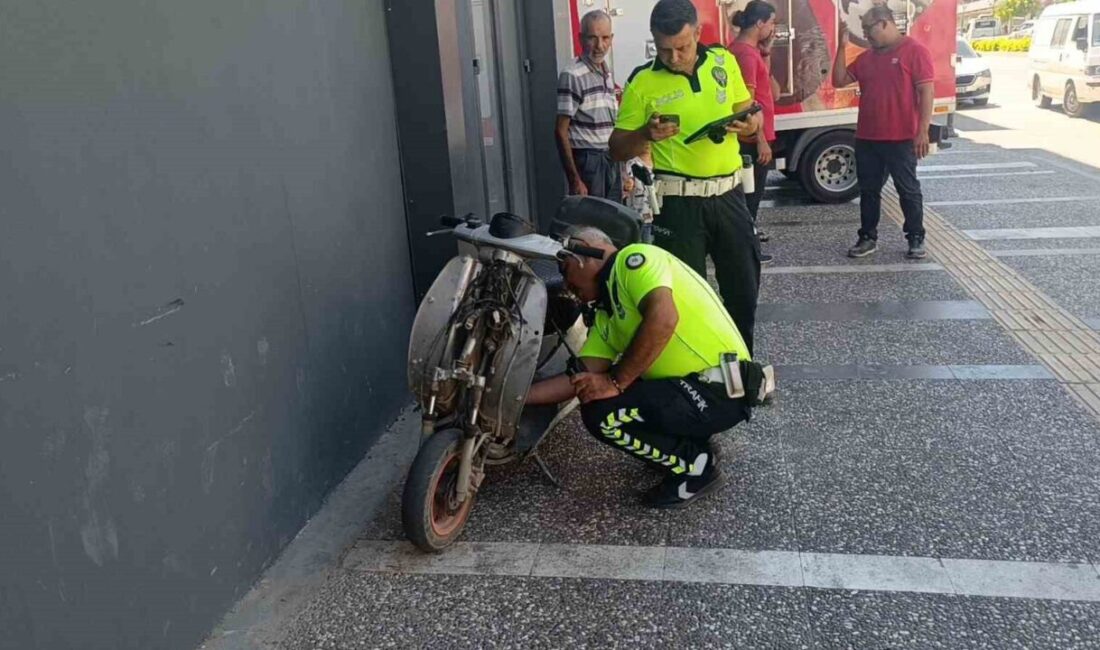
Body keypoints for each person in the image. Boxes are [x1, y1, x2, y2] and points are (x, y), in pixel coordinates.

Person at [526, 227, 770, 508]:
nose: (565, 283)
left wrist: (615, 381)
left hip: (721, 391)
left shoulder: (635, 260)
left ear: (584, 253)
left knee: (603, 414)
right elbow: (579, 378)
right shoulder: (606, 313)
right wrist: (514, 400)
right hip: (694, 390)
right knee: (594, 396)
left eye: (564, 267)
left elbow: (663, 318)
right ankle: (692, 445)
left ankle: (695, 468)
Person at [609, 0, 764, 354]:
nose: (673, 57)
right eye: (664, 49)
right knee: (688, 297)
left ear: (698, 33)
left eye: (682, 47)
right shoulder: (642, 82)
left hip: (729, 196)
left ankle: (740, 370)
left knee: (744, 289)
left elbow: (749, 116)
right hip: (678, 203)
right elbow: (616, 149)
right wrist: (644, 136)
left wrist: (750, 124)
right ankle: (697, 375)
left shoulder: (724, 62)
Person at [832, 5, 934, 259]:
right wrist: (842, 47)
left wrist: (922, 131)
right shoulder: (866, 58)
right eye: (864, 30)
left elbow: (926, 93)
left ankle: (915, 237)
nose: (866, 35)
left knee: (907, 189)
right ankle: (867, 237)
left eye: (869, 29)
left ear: (886, 23)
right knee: (868, 190)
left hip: (901, 138)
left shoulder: (915, 51)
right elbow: (839, 80)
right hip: (867, 138)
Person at [729, 1, 779, 265]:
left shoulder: (747, 51)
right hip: (751, 138)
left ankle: (748, 238)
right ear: (760, 23)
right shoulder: (746, 55)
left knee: (748, 196)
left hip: (752, 136)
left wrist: (766, 54)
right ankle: (747, 251)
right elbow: (747, 105)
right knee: (750, 197)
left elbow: (770, 90)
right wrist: (760, 140)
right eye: (771, 22)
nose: (772, 28)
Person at [556, 10, 623, 202]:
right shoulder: (572, 75)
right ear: (580, 38)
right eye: (592, 38)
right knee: (591, 226)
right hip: (589, 161)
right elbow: (560, 131)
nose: (599, 45)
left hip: (610, 158)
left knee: (612, 222)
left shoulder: (605, 71)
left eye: (605, 38)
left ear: (611, 38)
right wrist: (574, 179)